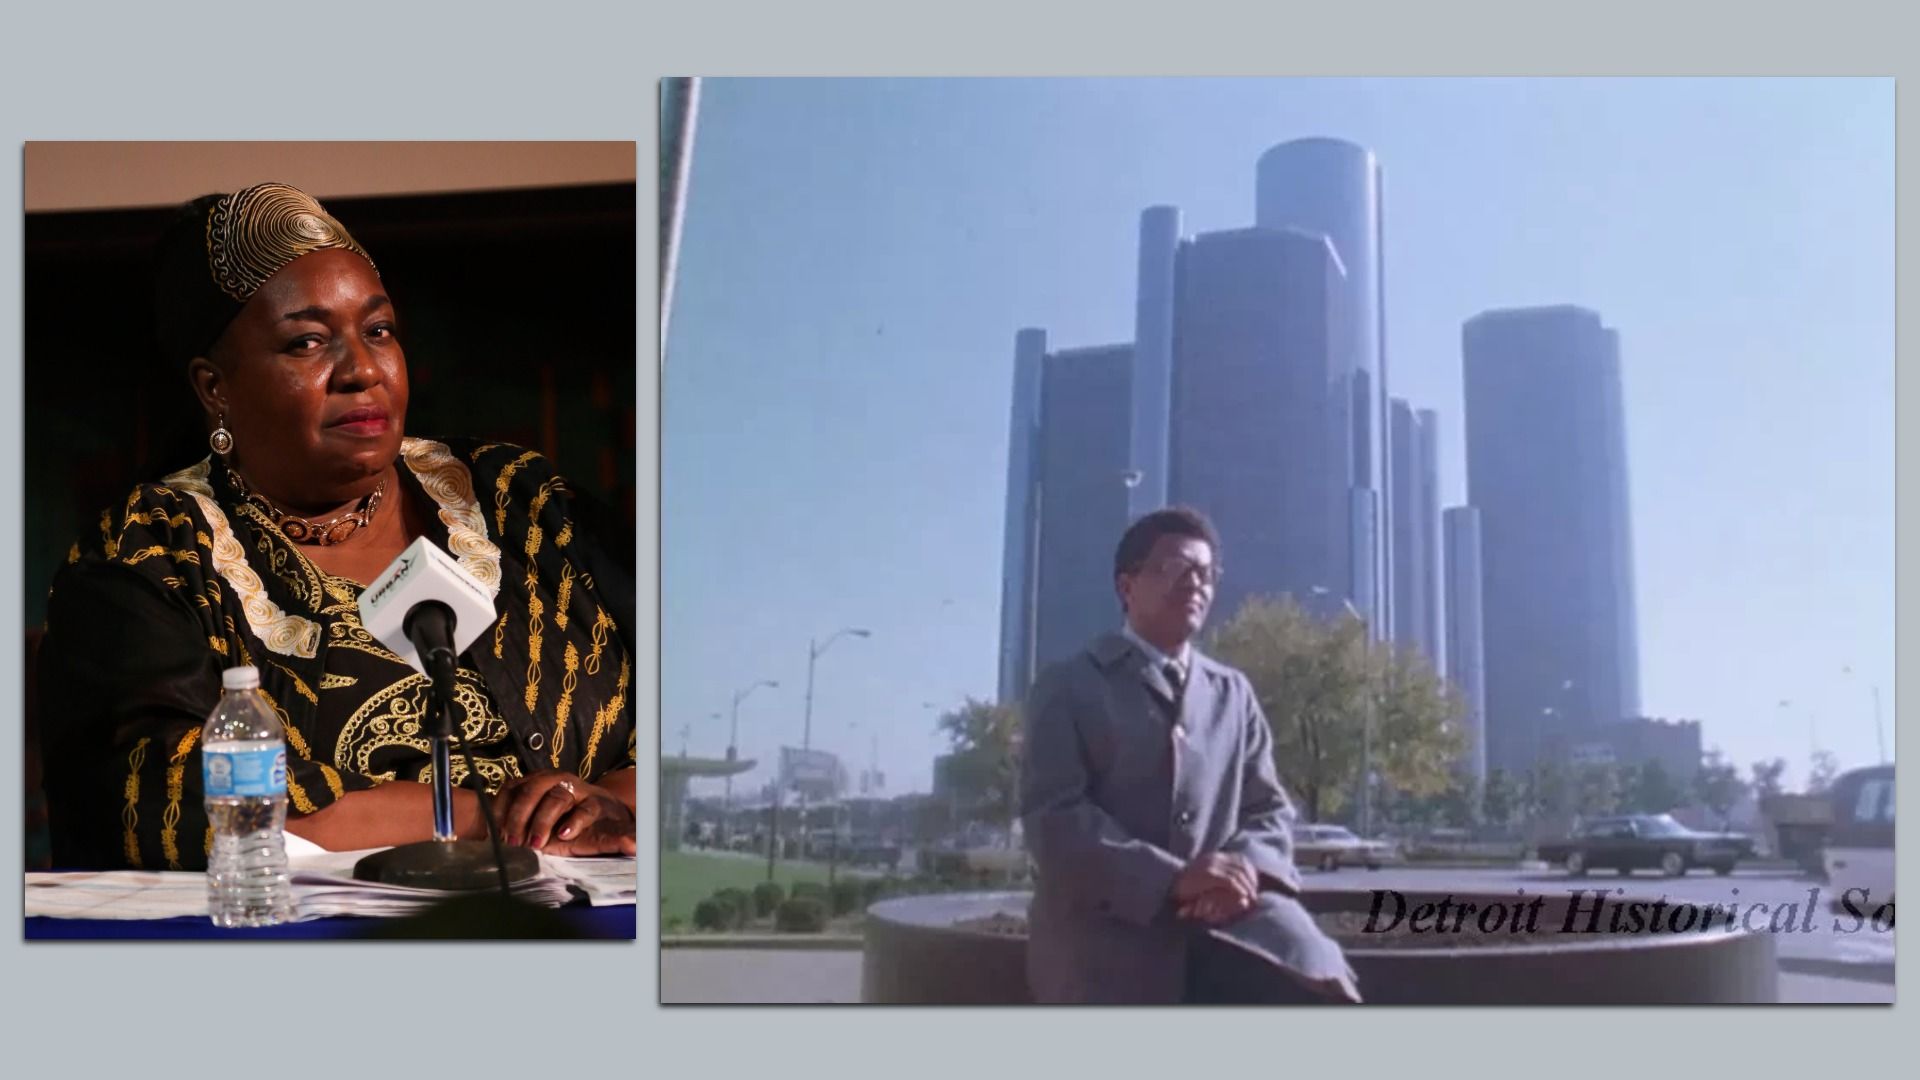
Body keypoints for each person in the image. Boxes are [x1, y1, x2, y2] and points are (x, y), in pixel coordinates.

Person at [38, 181, 638, 870]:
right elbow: (162, 796)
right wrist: (489, 815)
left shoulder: (521, 502)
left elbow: (693, 702)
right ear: (214, 387)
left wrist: (601, 804)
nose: (362, 370)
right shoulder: (152, 556)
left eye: (378, 331)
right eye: (308, 342)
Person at [1020, 506, 1361, 1004]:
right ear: (1127, 585)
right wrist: (1173, 879)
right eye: (1175, 567)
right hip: (1105, 931)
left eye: (1206, 573)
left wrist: (1244, 872)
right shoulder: (1069, 685)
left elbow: (1268, 808)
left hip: (1233, 918)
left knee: (1318, 971)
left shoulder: (1232, 692)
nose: (1195, 583)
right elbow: (1054, 819)